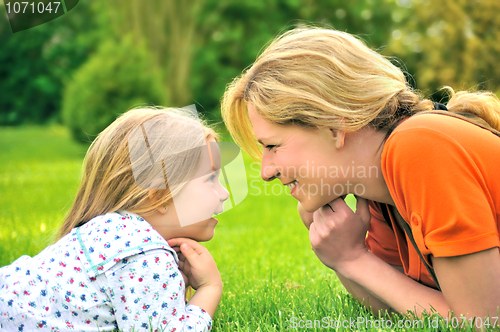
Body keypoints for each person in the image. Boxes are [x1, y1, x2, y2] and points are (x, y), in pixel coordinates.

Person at [221, 26, 500, 321]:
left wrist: (353, 258)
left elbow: (481, 320)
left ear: (333, 127)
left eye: (273, 146)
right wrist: (346, 257)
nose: (266, 172)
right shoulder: (378, 189)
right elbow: (396, 309)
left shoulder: (419, 146)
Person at [0, 107, 229, 331]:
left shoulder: (109, 229)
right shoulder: (146, 255)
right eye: (210, 179)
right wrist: (209, 289)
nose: (225, 194)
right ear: (159, 194)